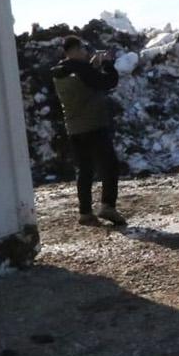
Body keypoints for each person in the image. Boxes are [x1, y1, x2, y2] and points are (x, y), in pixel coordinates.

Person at [51, 35, 127, 226]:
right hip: (94, 125)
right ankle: (107, 206)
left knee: (84, 170)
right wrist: (107, 64)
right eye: (83, 49)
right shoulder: (82, 69)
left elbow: (83, 84)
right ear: (75, 50)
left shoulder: (59, 72)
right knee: (110, 166)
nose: (86, 52)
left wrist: (92, 67)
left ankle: (85, 212)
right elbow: (108, 82)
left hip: (74, 129)